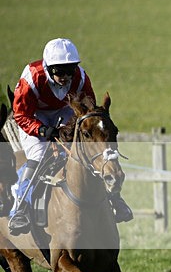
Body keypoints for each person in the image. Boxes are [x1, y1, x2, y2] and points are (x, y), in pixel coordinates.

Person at [8, 38, 133, 235]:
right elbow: (21, 115)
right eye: (59, 71)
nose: (65, 76)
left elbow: (89, 111)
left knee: (83, 155)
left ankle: (115, 199)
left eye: (70, 70)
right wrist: (42, 131)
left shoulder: (81, 78)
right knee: (39, 155)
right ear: (48, 68)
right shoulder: (32, 78)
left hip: (65, 112)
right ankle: (20, 209)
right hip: (34, 115)